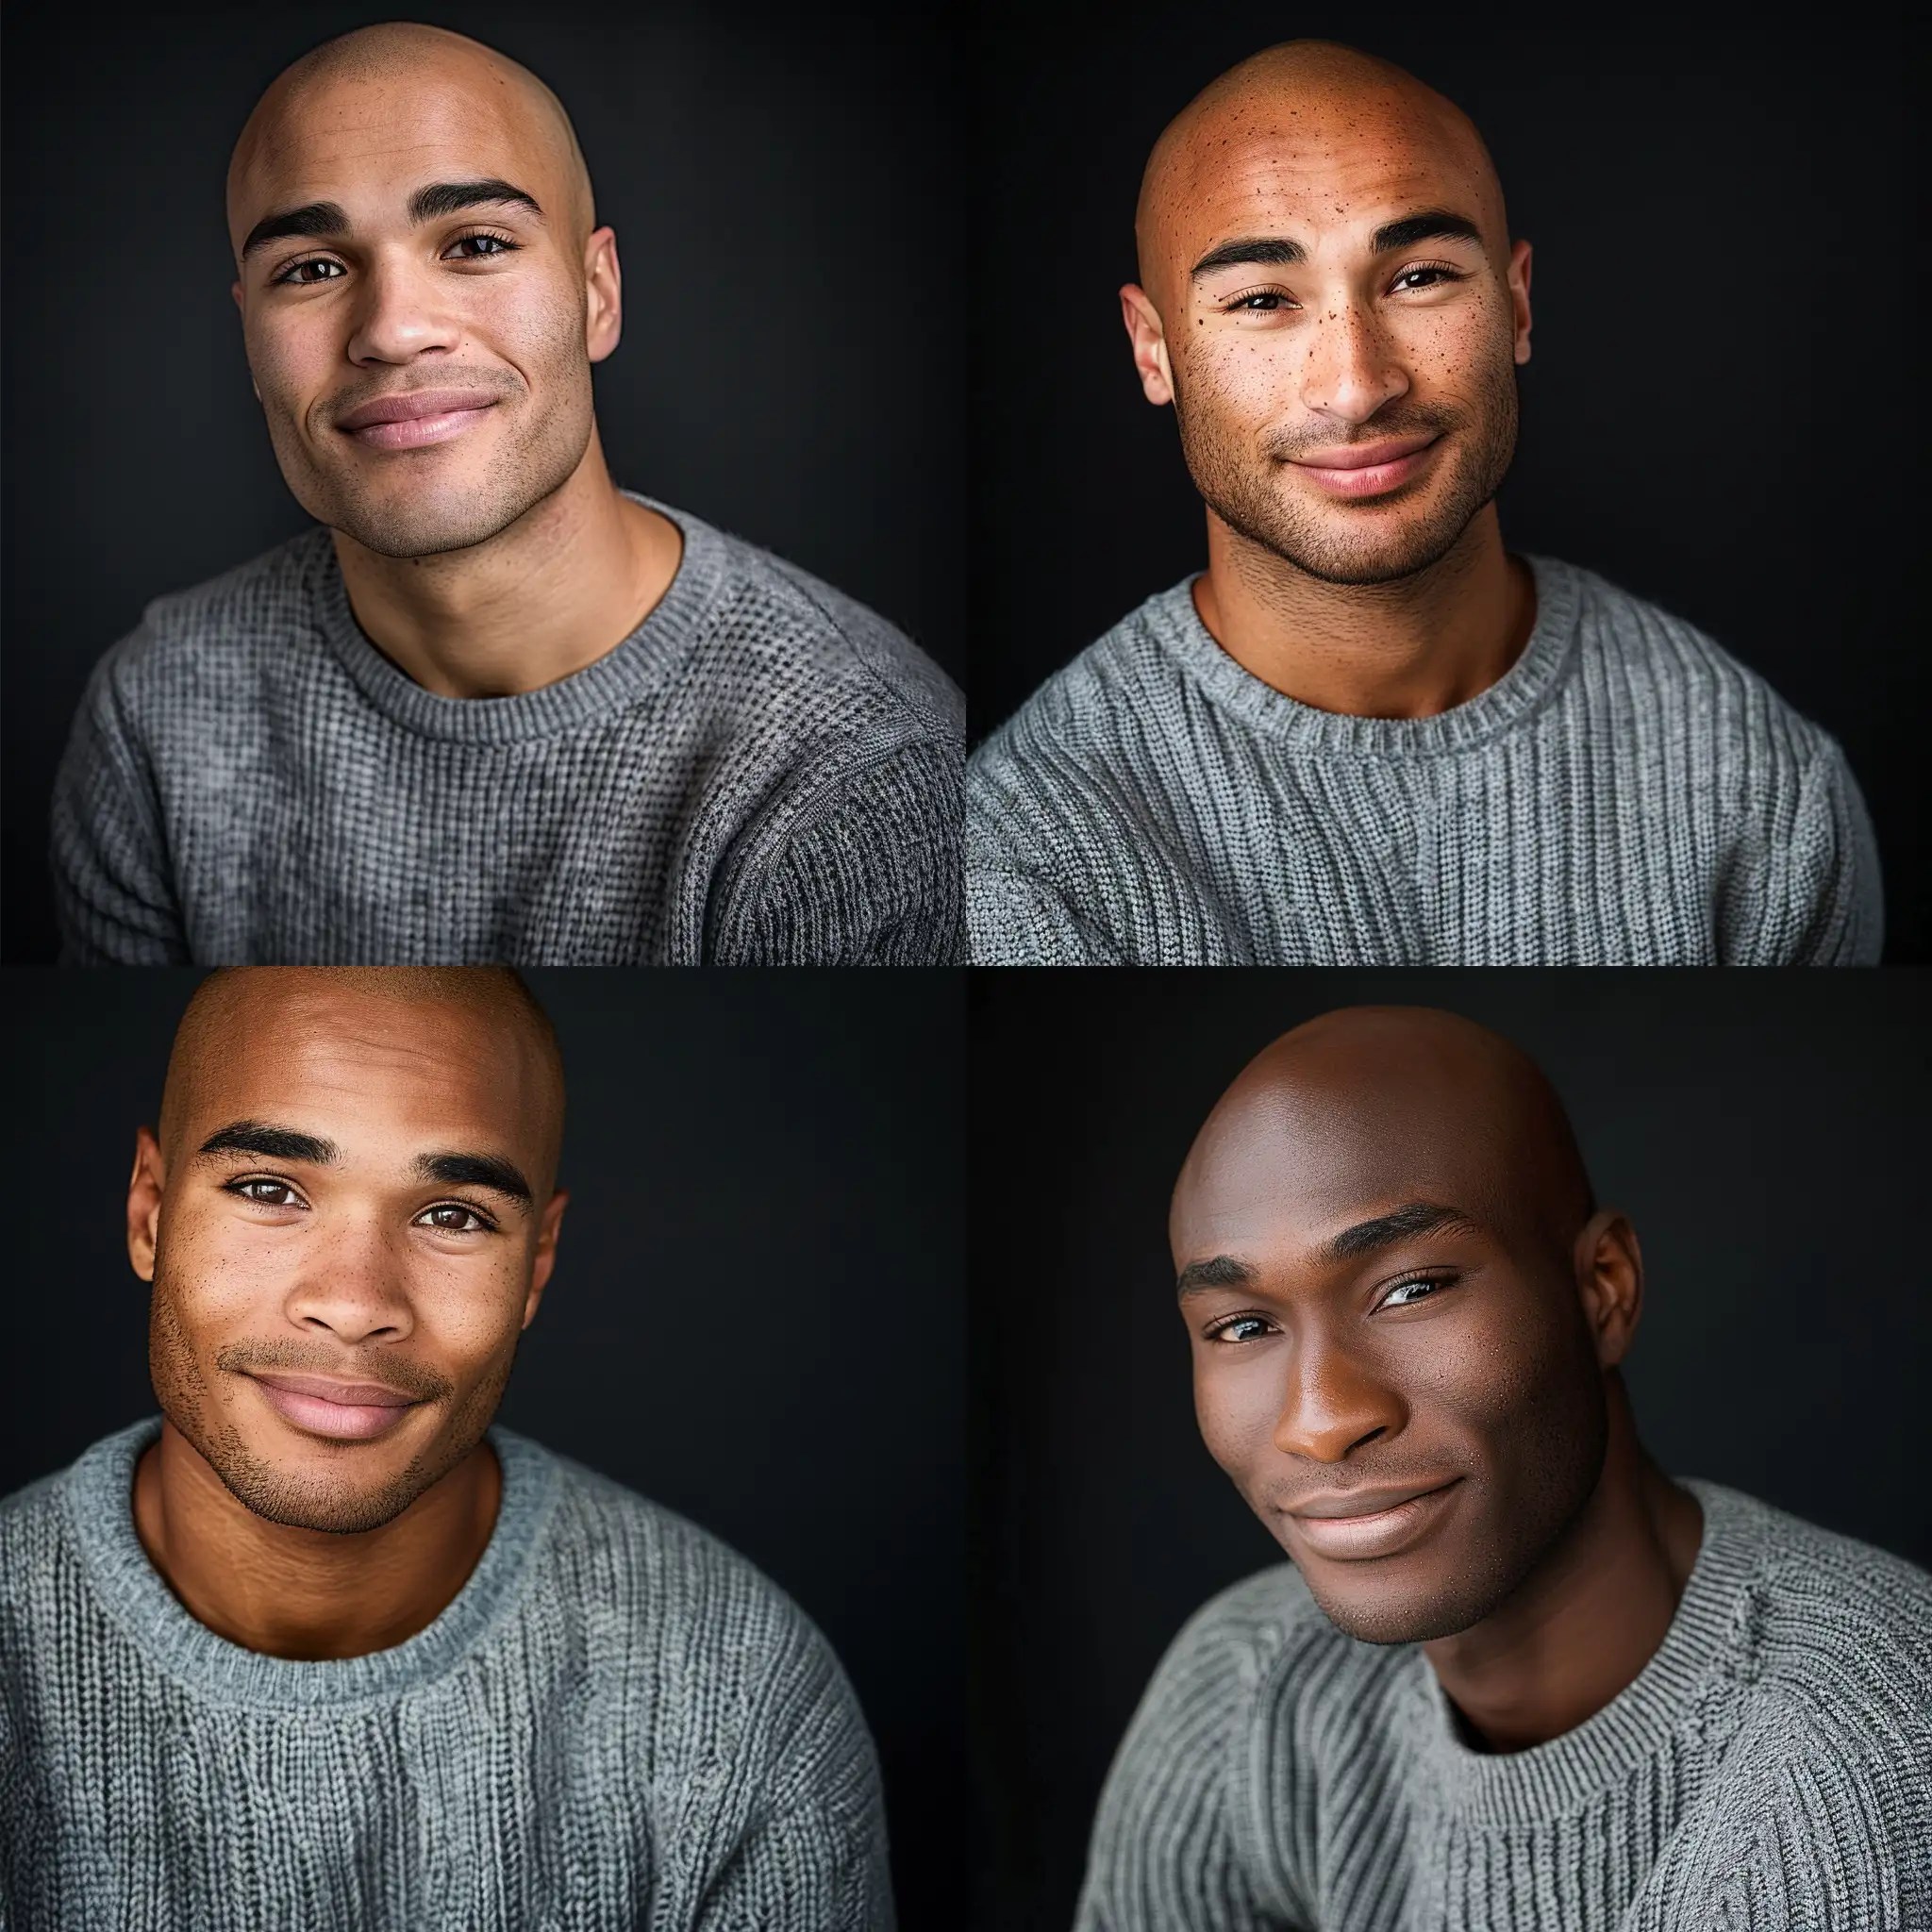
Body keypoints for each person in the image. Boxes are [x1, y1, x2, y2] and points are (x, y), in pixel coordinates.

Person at [51, 23, 961, 966]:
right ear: (249, 335)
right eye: (312, 268)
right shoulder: (156, 714)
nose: (395, 330)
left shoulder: (850, 774)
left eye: (476, 242)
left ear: (596, 292)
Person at [0, 968, 892, 1929]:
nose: (354, 1301)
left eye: (452, 1214)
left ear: (536, 1264)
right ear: (149, 1209)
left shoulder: (739, 1689)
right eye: (269, 1188)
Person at [967, 42, 1881, 967]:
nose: (1357, 385)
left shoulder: (1763, 792)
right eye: (1259, 299)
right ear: (1151, 351)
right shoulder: (1019, 860)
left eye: (1419, 277)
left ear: (1516, 304)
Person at [1077, 1006, 1929, 1929]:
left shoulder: (1865, 1746)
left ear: (1602, 1287)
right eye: (1241, 1326)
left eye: (1411, 1288)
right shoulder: (1247, 1685)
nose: (1319, 1420)